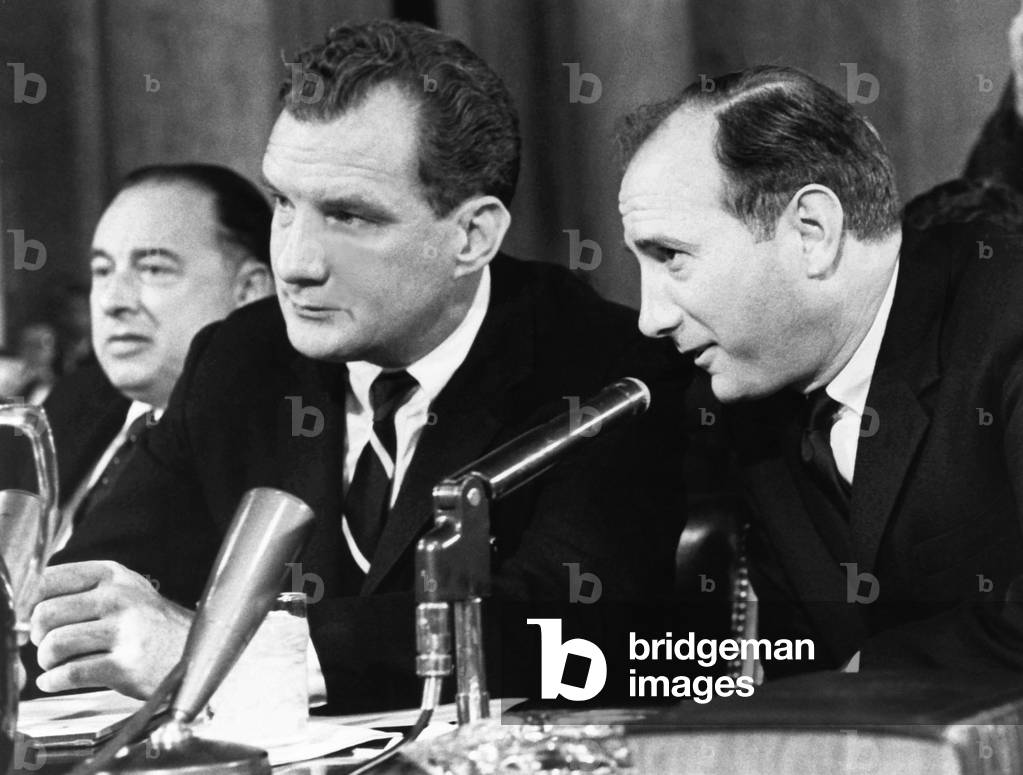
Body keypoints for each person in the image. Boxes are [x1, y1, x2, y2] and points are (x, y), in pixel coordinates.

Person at [29, 20, 691, 710]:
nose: (295, 262)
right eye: (285, 203)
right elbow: (87, 591)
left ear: (472, 234)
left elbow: (563, 628)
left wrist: (221, 650)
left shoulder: (606, 368)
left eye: (348, 217)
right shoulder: (240, 358)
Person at [618, 65, 1023, 676]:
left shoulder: (1009, 320)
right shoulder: (750, 390)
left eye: (671, 256)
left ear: (812, 231)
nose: (650, 317)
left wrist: (862, 682)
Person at [27, 164, 274, 542]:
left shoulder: (276, 446)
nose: (112, 301)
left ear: (249, 291)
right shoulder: (74, 400)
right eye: (102, 270)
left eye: (154, 269)